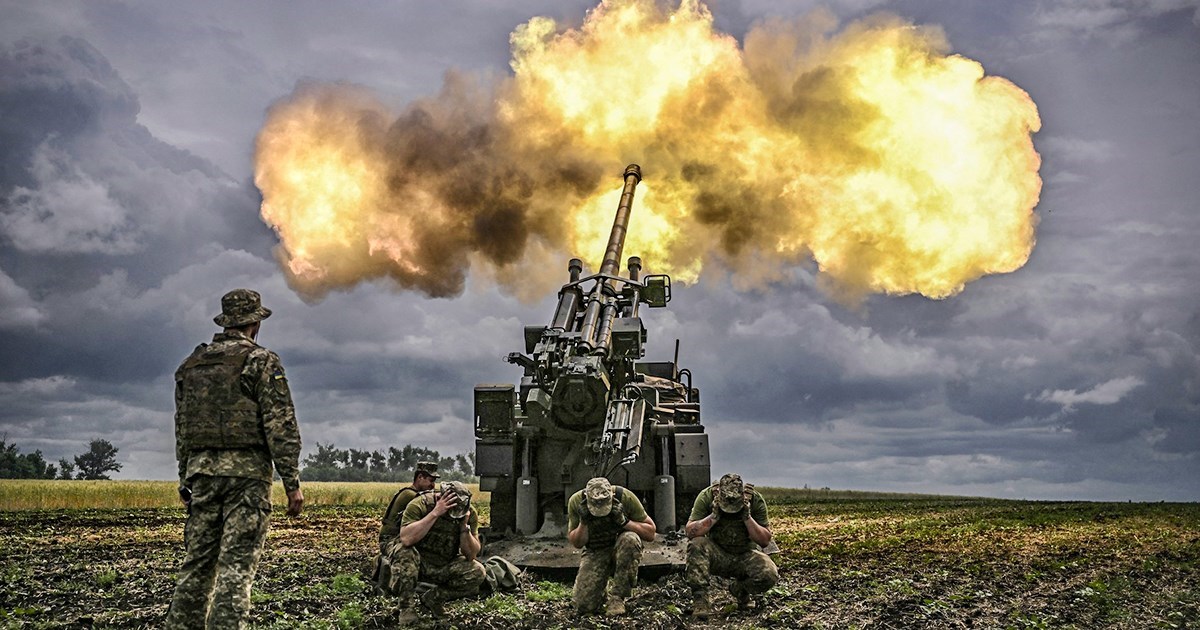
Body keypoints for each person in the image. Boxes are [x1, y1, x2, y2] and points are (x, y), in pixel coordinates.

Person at [166, 288, 304, 629]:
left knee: (196, 566)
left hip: (202, 476)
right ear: (255, 323)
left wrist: (186, 478)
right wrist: (292, 484)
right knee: (235, 570)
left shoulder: (190, 366)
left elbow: (182, 428)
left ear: (227, 321)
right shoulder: (261, 361)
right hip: (247, 478)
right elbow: (280, 425)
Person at [684, 473, 778, 620]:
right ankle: (700, 601)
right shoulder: (707, 496)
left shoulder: (755, 500)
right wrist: (713, 516)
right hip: (717, 554)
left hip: (744, 554)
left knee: (769, 573)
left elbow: (764, 540)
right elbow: (690, 532)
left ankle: (740, 591)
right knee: (697, 545)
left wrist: (747, 517)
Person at [386, 480, 486, 619]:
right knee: (405, 552)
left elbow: (471, 554)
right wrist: (435, 513)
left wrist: (464, 528)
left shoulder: (469, 513)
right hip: (417, 561)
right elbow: (407, 539)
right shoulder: (420, 504)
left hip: (442, 562)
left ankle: (434, 599)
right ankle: (405, 606)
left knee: (477, 571)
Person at [567, 477, 657, 616]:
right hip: (596, 551)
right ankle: (600, 592)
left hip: (620, 547)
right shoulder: (576, 502)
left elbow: (650, 533)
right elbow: (577, 543)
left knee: (630, 539)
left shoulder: (625, 497)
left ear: (612, 496)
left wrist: (624, 522)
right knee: (583, 606)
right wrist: (583, 522)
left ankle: (617, 597)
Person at [373, 461, 440, 591]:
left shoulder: (412, 494)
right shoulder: (412, 496)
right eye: (430, 480)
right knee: (409, 553)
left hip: (398, 536)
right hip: (390, 539)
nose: (433, 485)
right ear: (420, 477)